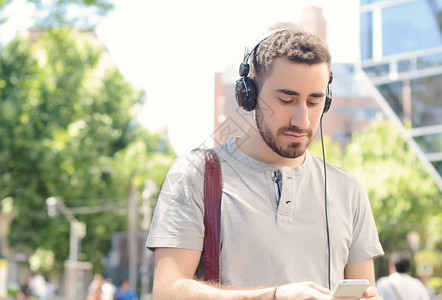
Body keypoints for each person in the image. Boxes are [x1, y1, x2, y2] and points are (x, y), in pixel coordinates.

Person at [146, 28, 384, 299]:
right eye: (286, 99)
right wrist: (273, 296)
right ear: (249, 95)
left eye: (314, 101)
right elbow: (167, 291)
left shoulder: (349, 189)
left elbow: (364, 289)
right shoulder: (194, 175)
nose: (302, 120)